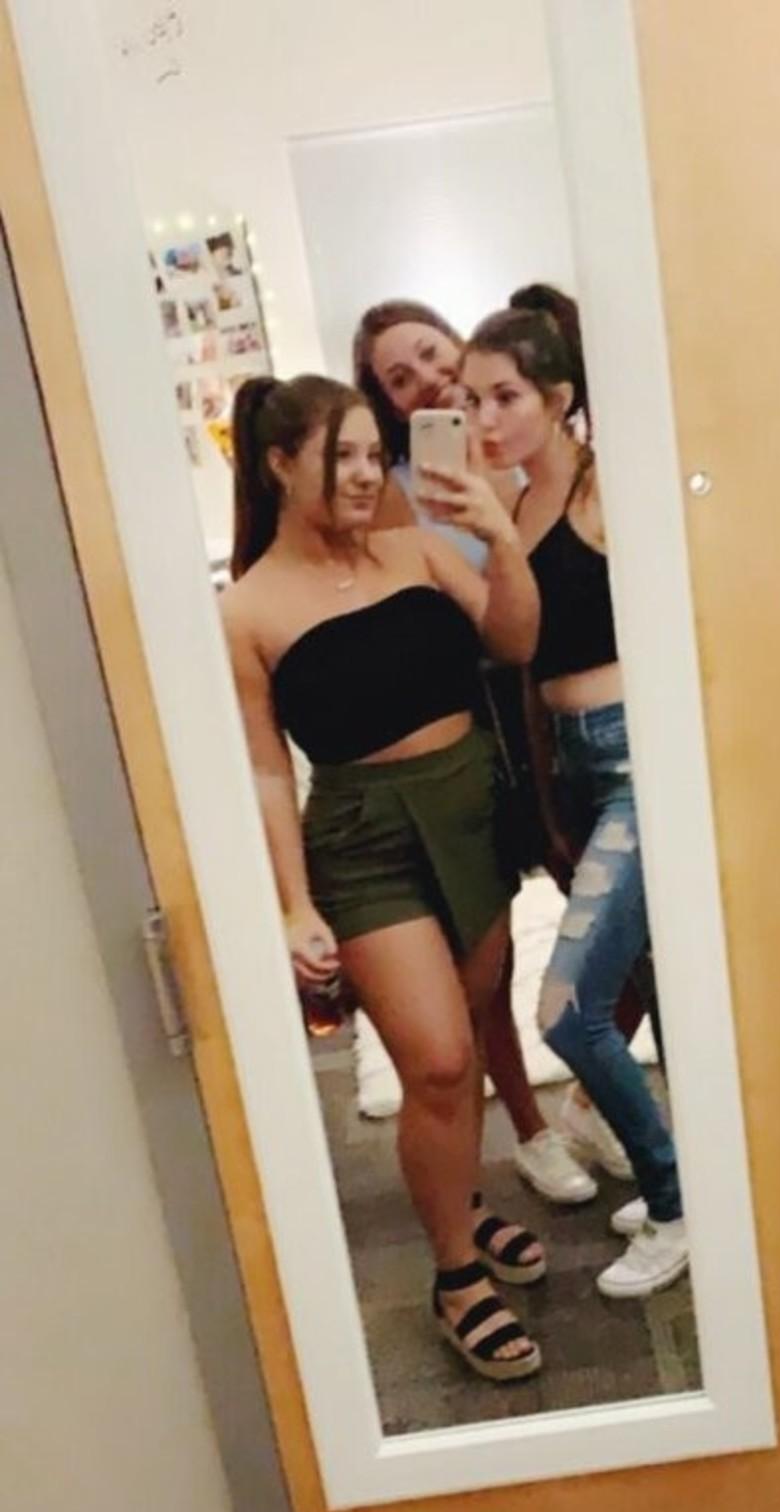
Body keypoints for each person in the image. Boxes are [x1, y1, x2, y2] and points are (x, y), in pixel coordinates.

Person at [219, 372, 546, 1380]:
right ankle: (456, 1275)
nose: (367, 474)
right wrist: (293, 903)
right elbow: (268, 769)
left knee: (471, 1029)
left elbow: (516, 640)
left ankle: (459, 1200)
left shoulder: (414, 550)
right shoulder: (246, 610)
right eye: (342, 456)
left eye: (374, 453)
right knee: (439, 1061)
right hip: (364, 841)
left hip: (471, 810)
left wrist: (497, 535)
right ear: (279, 465)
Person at [353, 300, 636, 1205]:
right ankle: (532, 1129)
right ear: (385, 400)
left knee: (615, 924)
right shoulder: (400, 488)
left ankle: (592, 1099)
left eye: (433, 355)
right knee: (494, 947)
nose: (428, 383)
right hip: (476, 712)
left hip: (556, 708)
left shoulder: (529, 458)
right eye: (400, 378)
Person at [462, 288, 689, 1299]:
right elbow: (519, 661)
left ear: (558, 397)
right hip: (577, 764)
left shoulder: (606, 485)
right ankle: (690, 1177)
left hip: (640, 756)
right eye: (471, 400)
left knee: (567, 1007)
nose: (485, 419)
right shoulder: (516, 509)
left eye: (505, 396)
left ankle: (677, 1201)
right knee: (653, 980)